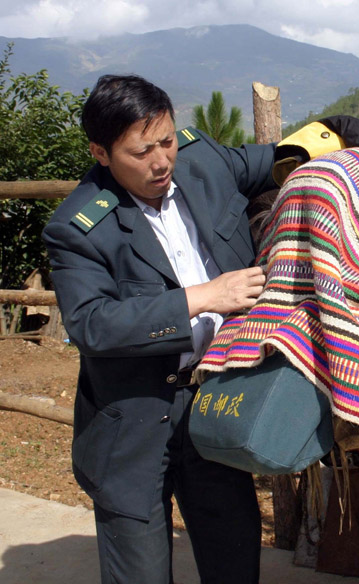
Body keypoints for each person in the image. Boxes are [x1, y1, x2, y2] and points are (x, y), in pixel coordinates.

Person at [42, 74, 279, 583]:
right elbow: (91, 324)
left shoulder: (201, 162)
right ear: (101, 154)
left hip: (215, 406)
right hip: (132, 426)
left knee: (235, 561)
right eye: (140, 151)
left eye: (167, 141)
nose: (161, 161)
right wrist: (204, 298)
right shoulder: (77, 227)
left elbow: (284, 159)